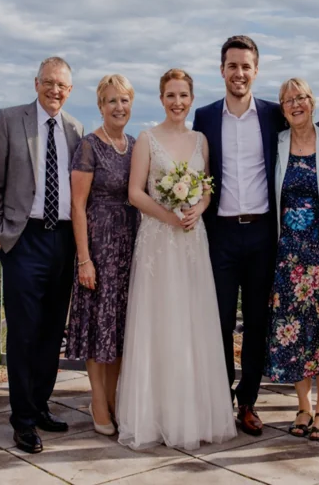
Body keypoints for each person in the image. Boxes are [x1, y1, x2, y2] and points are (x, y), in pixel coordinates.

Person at [116, 69, 236, 451]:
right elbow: (135, 193)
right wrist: (168, 216)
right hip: (159, 242)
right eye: (171, 95)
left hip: (192, 241)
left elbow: (207, 189)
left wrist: (199, 208)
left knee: (193, 321)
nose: (177, 102)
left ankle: (194, 415)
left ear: (191, 98)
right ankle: (158, 417)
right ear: (161, 98)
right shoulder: (147, 140)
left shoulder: (201, 140)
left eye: (183, 95)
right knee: (161, 321)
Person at [0, 56, 84, 454]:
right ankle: (22, 420)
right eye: (49, 82)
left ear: (70, 91)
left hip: (63, 240)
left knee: (51, 332)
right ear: (36, 83)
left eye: (62, 85)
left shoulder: (75, 129)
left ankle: (40, 405)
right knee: (24, 334)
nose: (55, 90)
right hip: (23, 240)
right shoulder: (10, 119)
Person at [192, 36, 286, 436]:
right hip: (221, 234)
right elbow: (195, 170)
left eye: (246, 66)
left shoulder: (274, 115)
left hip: (263, 233)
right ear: (222, 70)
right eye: (232, 66)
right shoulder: (205, 117)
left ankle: (247, 401)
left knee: (258, 322)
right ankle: (219, 399)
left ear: (256, 71)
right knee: (220, 320)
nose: (239, 73)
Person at [265, 78, 319, 441]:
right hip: (288, 255)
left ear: (311, 102)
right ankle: (302, 406)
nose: (295, 104)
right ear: (282, 109)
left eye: (300, 97)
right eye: (287, 100)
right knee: (293, 331)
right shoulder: (277, 144)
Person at [66, 74, 139, 436]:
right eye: (112, 101)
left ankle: (113, 400)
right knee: (99, 329)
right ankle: (97, 401)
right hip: (98, 248)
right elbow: (77, 206)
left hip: (130, 248)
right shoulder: (89, 146)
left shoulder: (135, 145)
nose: (118, 107)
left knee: (120, 329)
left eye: (124, 100)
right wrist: (84, 259)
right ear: (100, 106)